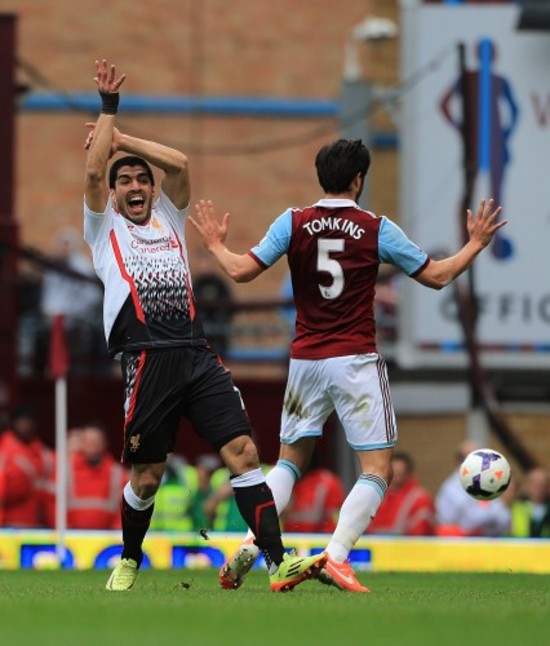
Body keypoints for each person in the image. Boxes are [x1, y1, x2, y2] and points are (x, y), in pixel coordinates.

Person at [190, 137, 506, 593]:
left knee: (289, 463)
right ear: (359, 179)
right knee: (379, 468)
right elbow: (437, 276)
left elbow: (240, 271)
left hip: (304, 362)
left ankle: (251, 542)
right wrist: (475, 243)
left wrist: (217, 245)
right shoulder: (375, 228)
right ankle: (336, 557)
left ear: (323, 176)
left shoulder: (293, 222)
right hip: (355, 359)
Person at [82, 59, 325, 592]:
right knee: (145, 478)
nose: (135, 185)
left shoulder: (169, 216)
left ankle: (277, 561)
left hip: (196, 352)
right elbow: (96, 174)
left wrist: (126, 139)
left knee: (243, 454)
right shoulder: (104, 228)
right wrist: (107, 110)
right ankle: (128, 558)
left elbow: (182, 162)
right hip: (146, 358)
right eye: (126, 181)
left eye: (142, 179)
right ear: (116, 194)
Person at [435, 440, 512, 537]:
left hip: (490, 542)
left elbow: (503, 518)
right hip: (461, 545)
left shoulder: (489, 481)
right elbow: (469, 522)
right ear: (460, 461)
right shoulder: (451, 489)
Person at [0, 405, 55, 528]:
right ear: (13, 424)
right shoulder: (4, 451)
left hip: (38, 522)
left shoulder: (43, 453)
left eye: (29, 422)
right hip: (9, 522)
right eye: (22, 422)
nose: (26, 426)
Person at [66, 423, 128, 530]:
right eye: (88, 442)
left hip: (107, 540)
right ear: (81, 444)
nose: (91, 446)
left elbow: (124, 509)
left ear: (104, 444)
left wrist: (117, 534)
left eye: (95, 442)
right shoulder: (66, 470)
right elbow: (53, 504)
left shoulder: (118, 473)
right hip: (70, 538)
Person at [367, 451, 435, 536]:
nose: (393, 478)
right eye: (391, 474)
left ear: (407, 474)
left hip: (407, 547)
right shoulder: (383, 496)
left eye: (398, 474)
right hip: (381, 546)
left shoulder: (420, 500)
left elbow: (421, 534)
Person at [283, 451, 345, 533]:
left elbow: (334, 515)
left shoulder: (327, 481)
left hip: (322, 539)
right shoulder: (286, 480)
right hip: (289, 537)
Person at [509, 466, 550, 539]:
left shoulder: (548, 509)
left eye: (542, 484)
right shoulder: (515, 507)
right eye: (535, 483)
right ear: (527, 484)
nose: (539, 488)